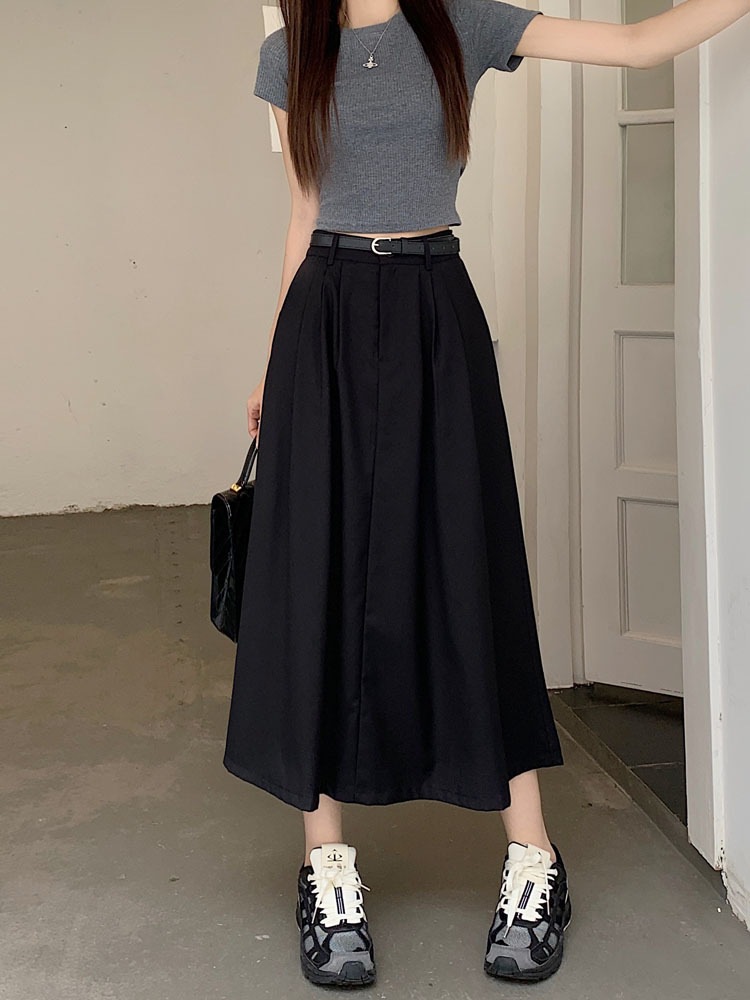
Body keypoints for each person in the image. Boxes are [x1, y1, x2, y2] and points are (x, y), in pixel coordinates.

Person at [224, 0, 749, 988]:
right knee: (318, 576)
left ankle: (534, 857)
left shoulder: (461, 25)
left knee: (469, 568)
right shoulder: (289, 52)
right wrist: (271, 368)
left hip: (435, 311)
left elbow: (633, 42)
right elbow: (303, 211)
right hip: (323, 322)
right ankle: (326, 866)